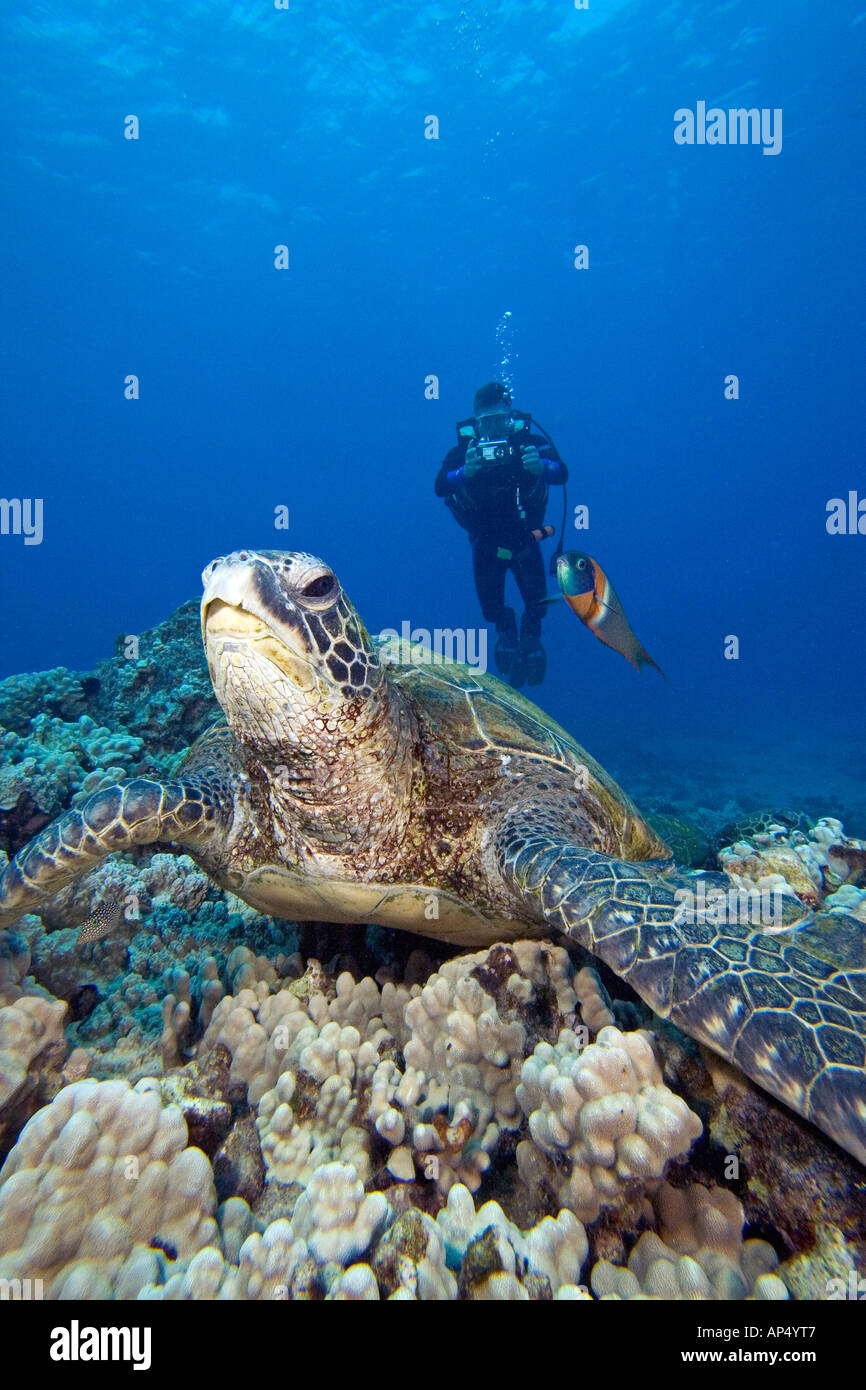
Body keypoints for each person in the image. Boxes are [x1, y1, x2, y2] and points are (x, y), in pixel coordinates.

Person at [435, 381, 567, 687]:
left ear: (512, 417)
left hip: (525, 539)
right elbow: (440, 486)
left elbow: (563, 473)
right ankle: (506, 630)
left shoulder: (529, 445)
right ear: (476, 422)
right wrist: (464, 473)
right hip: (485, 542)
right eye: (487, 422)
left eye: (501, 419)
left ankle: (531, 641)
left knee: (538, 606)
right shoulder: (466, 452)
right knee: (491, 611)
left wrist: (542, 467)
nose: (495, 428)